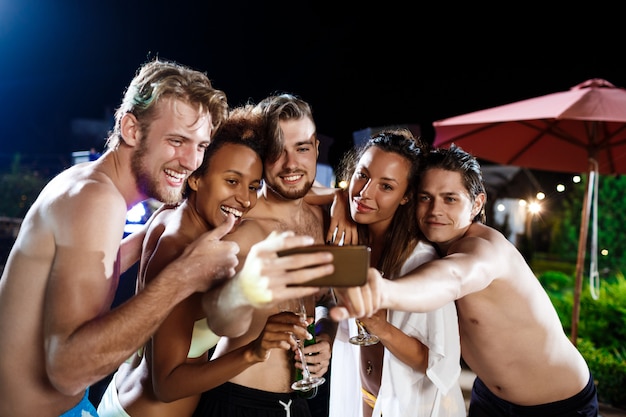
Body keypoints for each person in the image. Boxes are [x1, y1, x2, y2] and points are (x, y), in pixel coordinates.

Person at [0, 59, 331, 417]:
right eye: (177, 141)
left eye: (201, 145)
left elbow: (280, 192)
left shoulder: (103, 191)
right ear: (130, 128)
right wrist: (183, 276)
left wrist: (342, 199)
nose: (190, 160)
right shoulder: (97, 201)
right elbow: (68, 371)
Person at [331, 144, 599, 417]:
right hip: (489, 398)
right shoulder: (432, 244)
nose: (435, 210)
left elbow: (453, 277)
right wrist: (341, 200)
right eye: (426, 197)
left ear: (477, 204)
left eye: (450, 199)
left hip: (560, 404)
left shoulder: (486, 249)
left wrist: (384, 290)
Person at [96, 105, 312, 417]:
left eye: (253, 186)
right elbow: (165, 385)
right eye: (232, 181)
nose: (246, 199)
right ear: (196, 177)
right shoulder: (186, 255)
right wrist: (254, 352)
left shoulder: (170, 215)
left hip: (121, 396)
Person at [196, 93, 338, 417]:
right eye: (277, 151)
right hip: (239, 397)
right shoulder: (239, 219)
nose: (291, 164)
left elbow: (327, 300)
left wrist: (326, 336)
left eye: (301, 148)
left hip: (299, 403)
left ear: (316, 147)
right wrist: (246, 294)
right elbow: (213, 315)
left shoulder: (322, 221)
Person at [315, 129, 464, 417]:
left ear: (406, 196)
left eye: (386, 186)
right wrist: (338, 197)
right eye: (363, 175)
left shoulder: (420, 262)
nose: (365, 192)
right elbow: (330, 302)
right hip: (361, 397)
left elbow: (435, 362)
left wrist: (380, 326)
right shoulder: (350, 241)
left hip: (411, 406)